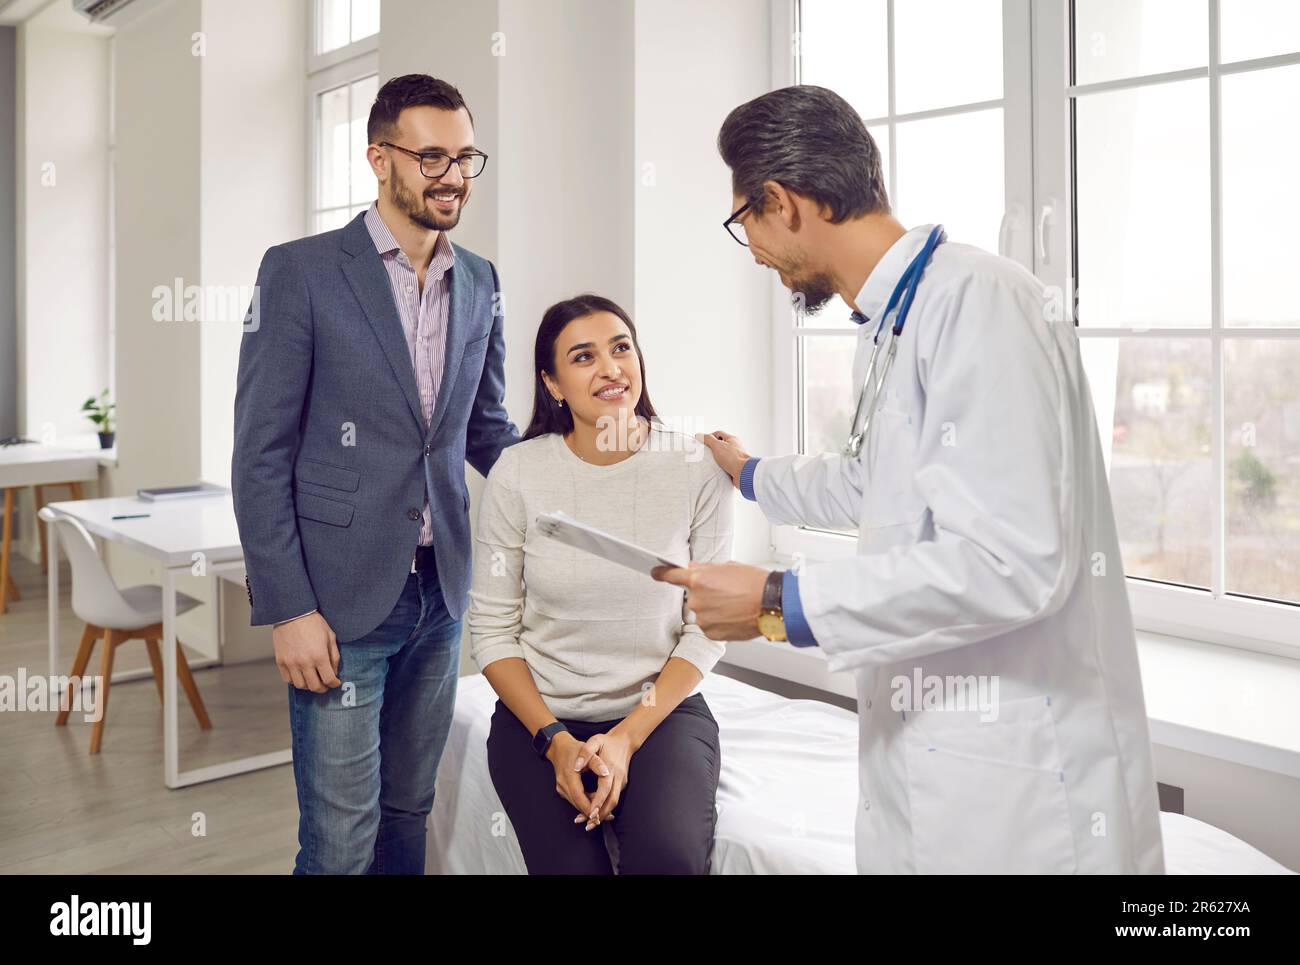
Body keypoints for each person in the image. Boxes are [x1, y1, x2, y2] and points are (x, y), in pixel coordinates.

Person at [653, 85, 1165, 874]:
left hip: (1021, 795)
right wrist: (752, 474)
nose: (751, 250)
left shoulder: (978, 302)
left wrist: (775, 601)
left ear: (782, 204)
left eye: (744, 223)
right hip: (932, 763)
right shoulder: (893, 322)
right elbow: (875, 484)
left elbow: (1014, 561)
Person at [232, 74, 519, 874]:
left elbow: (486, 430)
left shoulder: (483, 281)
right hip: (338, 602)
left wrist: (597, 464)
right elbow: (261, 454)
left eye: (465, 156)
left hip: (442, 593)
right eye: (431, 157)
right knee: (340, 839)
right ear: (379, 159)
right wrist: (288, 606)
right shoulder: (301, 271)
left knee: (408, 814)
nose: (452, 175)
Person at [468, 294, 732, 875]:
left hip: (658, 715)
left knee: (667, 856)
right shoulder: (519, 471)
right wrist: (558, 742)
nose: (611, 368)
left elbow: (707, 627)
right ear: (553, 383)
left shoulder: (698, 469)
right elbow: (490, 630)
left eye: (621, 348)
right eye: (583, 357)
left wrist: (626, 738)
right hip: (540, 720)